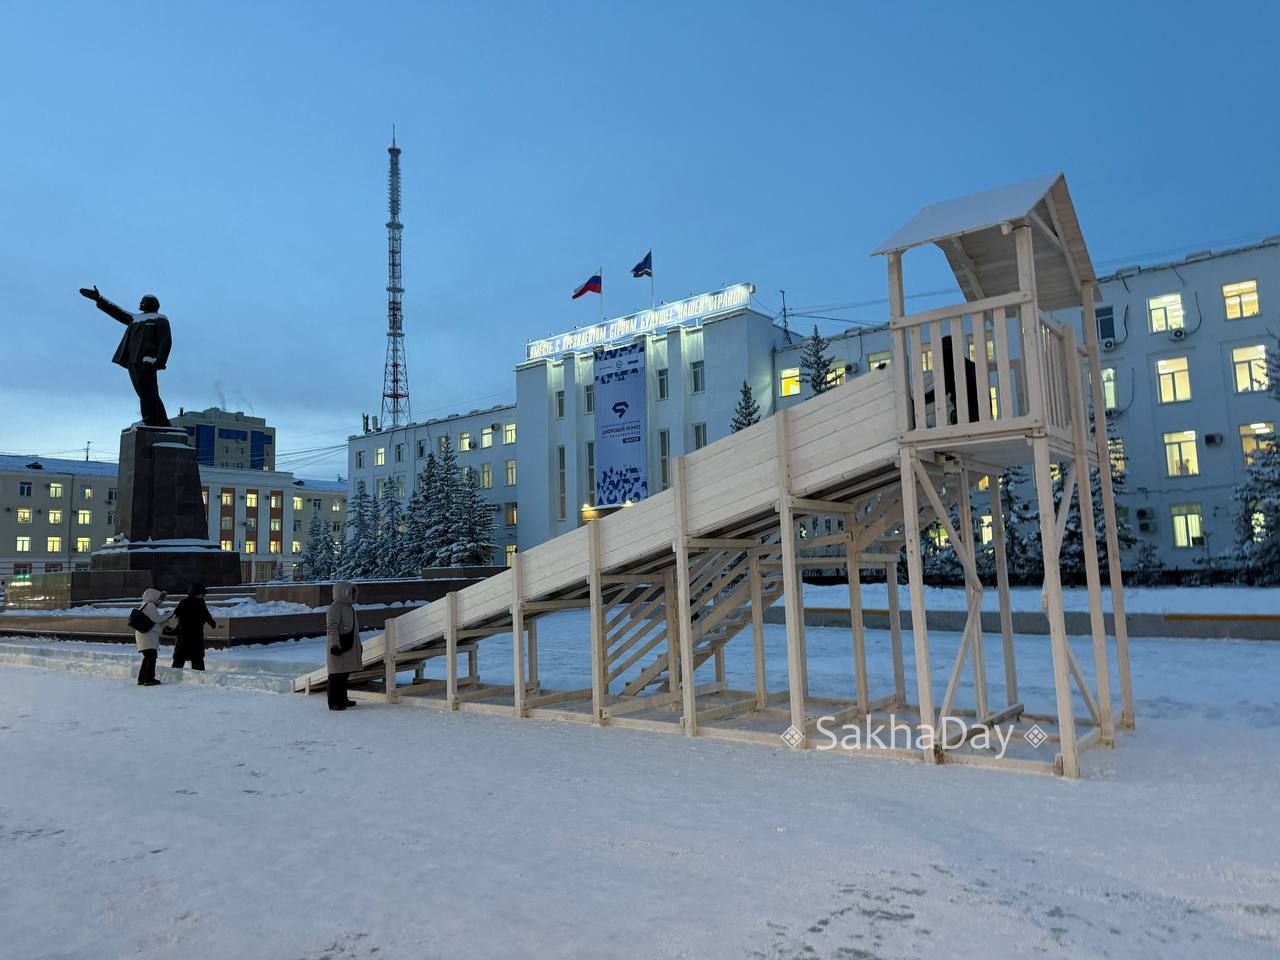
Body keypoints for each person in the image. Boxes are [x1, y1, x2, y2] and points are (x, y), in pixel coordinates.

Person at [78, 285, 173, 427]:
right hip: (132, 360)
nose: (140, 303)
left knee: (149, 391)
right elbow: (118, 312)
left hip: (147, 360)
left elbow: (166, 341)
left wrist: (158, 360)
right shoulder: (135, 319)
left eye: (144, 301)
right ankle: (160, 421)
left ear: (153, 304)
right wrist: (99, 299)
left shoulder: (159, 319)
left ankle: (152, 420)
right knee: (143, 392)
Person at [325, 581, 362, 711]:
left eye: (353, 592)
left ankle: (343, 698)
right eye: (350, 592)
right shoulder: (334, 608)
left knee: (344, 674)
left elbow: (354, 629)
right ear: (342, 592)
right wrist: (334, 645)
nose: (352, 595)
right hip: (339, 647)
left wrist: (358, 646)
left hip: (349, 645)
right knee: (336, 675)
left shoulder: (349, 608)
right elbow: (332, 628)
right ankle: (334, 702)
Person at [169, 583, 217, 670]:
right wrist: (212, 624)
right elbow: (207, 615)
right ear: (200, 593)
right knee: (197, 659)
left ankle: (174, 676)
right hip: (196, 634)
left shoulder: (183, 602)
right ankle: (199, 679)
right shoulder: (200, 602)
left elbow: (176, 613)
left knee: (179, 659)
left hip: (183, 634)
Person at [133, 588, 172, 686]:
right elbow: (156, 619)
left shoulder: (145, 605)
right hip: (147, 636)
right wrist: (168, 615)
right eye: (159, 598)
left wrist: (165, 620)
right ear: (153, 597)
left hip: (145, 635)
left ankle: (142, 678)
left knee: (148, 657)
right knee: (151, 657)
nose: (160, 601)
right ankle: (149, 679)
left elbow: (154, 622)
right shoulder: (150, 605)